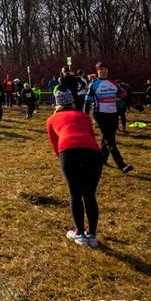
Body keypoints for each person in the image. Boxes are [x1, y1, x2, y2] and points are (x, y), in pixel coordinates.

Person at [46, 90, 103, 248]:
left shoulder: (52, 119)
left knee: (75, 193)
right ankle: (92, 234)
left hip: (69, 151)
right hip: (92, 153)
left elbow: (54, 143)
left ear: (57, 104)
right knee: (90, 195)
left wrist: (63, 160)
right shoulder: (84, 116)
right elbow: (91, 136)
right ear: (72, 103)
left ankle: (79, 233)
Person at [84, 62, 133, 173]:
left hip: (113, 113)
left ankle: (101, 160)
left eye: (105, 69)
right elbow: (87, 102)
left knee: (108, 137)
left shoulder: (113, 83)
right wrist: (85, 116)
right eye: (101, 69)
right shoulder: (93, 84)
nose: (104, 71)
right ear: (97, 71)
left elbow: (124, 95)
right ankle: (121, 165)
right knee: (110, 140)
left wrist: (134, 104)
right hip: (100, 114)